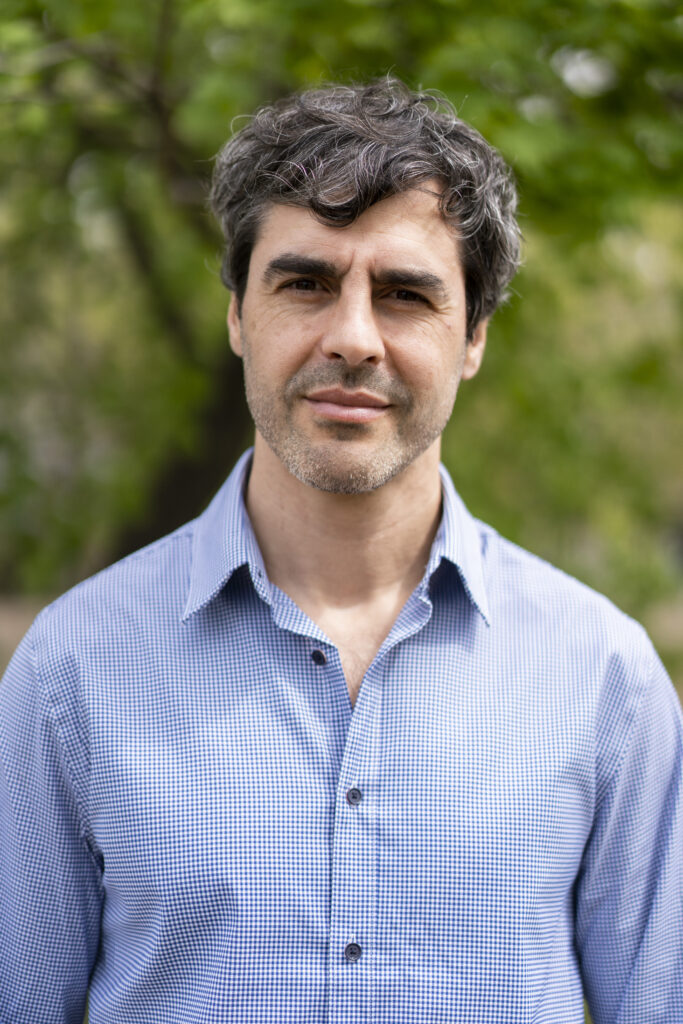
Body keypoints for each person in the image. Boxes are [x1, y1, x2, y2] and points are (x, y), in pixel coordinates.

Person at [1, 78, 681, 1024]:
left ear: (473, 336)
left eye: (405, 294)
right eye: (306, 283)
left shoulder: (607, 681)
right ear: (239, 313)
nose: (354, 338)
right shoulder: (71, 669)